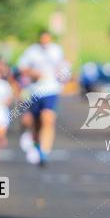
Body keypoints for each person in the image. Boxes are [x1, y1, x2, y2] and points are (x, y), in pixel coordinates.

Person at [17, 31, 69, 166]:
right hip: (35, 91)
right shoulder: (31, 51)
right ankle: (36, 145)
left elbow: (63, 68)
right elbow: (21, 67)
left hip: (51, 90)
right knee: (35, 123)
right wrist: (33, 72)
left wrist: (63, 76)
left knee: (48, 119)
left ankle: (45, 152)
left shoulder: (57, 50)